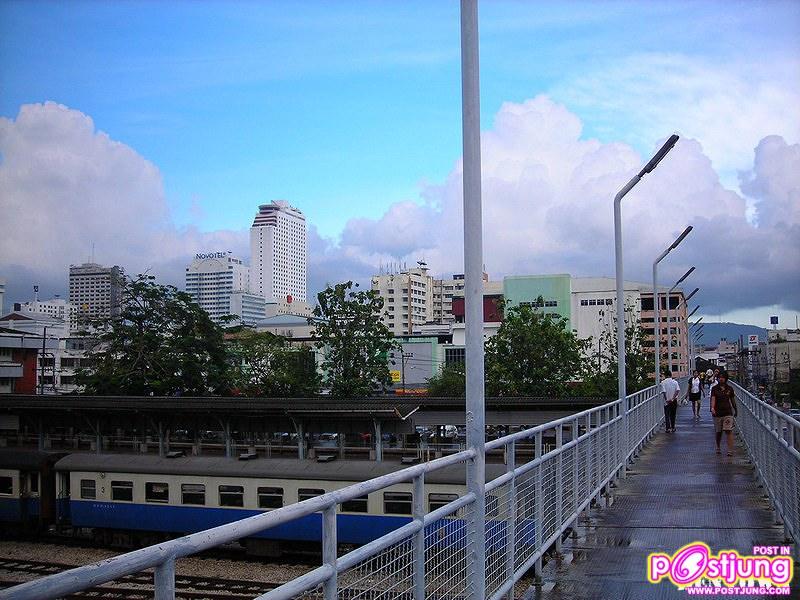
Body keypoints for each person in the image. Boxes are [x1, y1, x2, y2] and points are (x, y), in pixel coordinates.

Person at [710, 370, 737, 456]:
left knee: (728, 430)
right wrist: (712, 408)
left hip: (728, 412)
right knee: (719, 432)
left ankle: (730, 450)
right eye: (719, 377)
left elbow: (732, 400)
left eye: (723, 377)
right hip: (717, 413)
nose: (721, 379)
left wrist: (736, 410)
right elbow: (713, 399)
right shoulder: (714, 389)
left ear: (726, 379)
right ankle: (718, 446)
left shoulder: (730, 389)